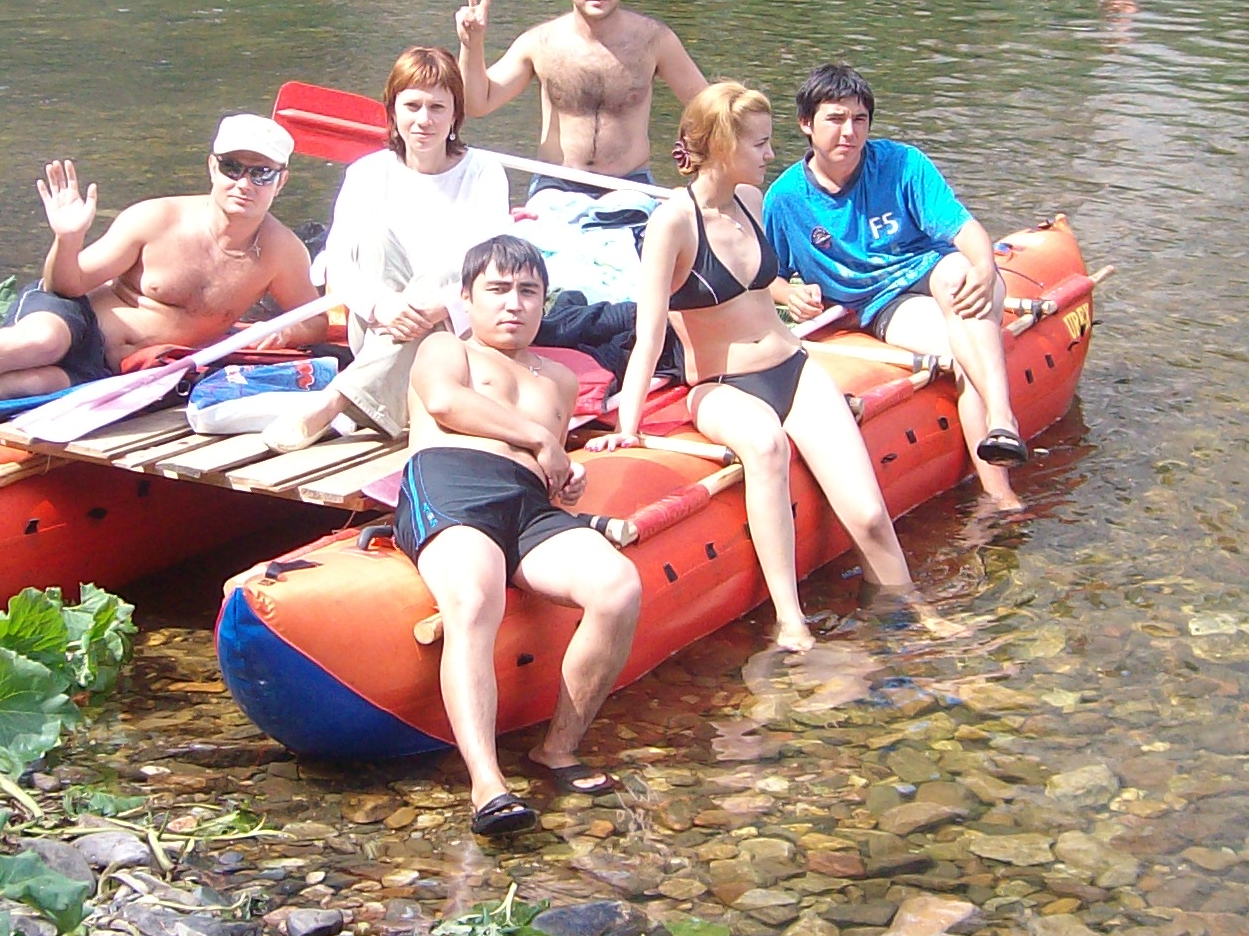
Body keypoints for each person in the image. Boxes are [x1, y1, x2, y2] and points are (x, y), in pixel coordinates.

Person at [614, 82, 942, 653]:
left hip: (791, 364)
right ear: (721, 145)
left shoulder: (752, 201)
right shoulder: (673, 222)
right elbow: (648, 336)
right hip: (720, 386)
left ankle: (912, 610)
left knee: (865, 514)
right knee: (765, 446)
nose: (771, 155)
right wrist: (627, 428)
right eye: (760, 144)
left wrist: (790, 291)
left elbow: (758, 279)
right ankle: (791, 622)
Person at [0, 114, 320, 430]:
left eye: (261, 173)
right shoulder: (158, 218)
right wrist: (68, 238)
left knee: (34, 382)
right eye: (233, 168)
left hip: (111, 370)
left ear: (282, 181)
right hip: (76, 318)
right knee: (41, 342)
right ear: (212, 167)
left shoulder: (281, 252)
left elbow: (313, 323)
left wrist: (276, 333)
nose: (244, 183)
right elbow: (64, 286)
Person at [399, 235, 647, 837]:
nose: (514, 304)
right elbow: (445, 403)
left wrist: (565, 473)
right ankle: (487, 783)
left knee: (617, 586)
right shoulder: (445, 348)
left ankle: (558, 748)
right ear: (467, 298)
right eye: (498, 290)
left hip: (529, 508)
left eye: (528, 291)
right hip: (452, 484)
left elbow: (551, 460)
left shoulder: (560, 379)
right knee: (475, 598)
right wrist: (540, 442)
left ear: (544, 301)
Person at [764, 64, 1030, 513]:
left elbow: (962, 228)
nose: (849, 132)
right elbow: (763, 276)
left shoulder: (902, 164)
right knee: (964, 357)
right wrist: (788, 293)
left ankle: (1002, 420)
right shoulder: (786, 198)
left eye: (859, 120)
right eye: (835, 119)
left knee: (957, 274)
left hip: (933, 273)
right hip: (882, 303)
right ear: (806, 124)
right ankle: (1000, 494)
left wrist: (985, 266)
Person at [264, 46, 510, 451]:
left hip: (455, 329)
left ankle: (334, 402)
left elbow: (494, 272)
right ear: (393, 110)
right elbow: (339, 266)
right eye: (412, 105)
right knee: (371, 238)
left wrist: (441, 305)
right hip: (381, 324)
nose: (424, 120)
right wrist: (382, 307)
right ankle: (371, 391)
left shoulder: (484, 174)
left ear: (455, 114)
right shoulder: (366, 173)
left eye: (437, 107)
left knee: (453, 266)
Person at [454, 0, 707, 194]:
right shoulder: (539, 43)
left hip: (631, 186)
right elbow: (476, 104)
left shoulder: (655, 41)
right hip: (555, 184)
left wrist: (699, 163)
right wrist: (472, 43)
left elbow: (712, 107)